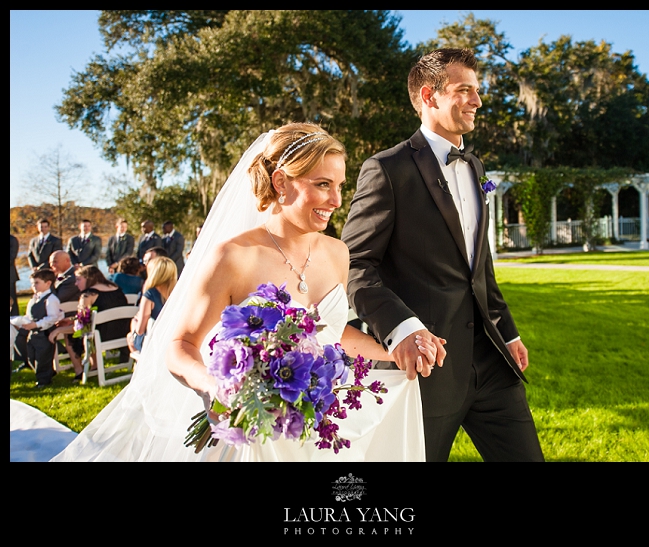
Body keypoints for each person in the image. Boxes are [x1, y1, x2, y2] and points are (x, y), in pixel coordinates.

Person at [52, 123, 434, 462]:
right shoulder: (233, 256)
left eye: (339, 186)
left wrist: (392, 352)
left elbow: (330, 333)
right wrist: (214, 388)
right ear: (281, 182)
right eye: (322, 184)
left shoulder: (337, 252)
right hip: (254, 429)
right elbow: (180, 343)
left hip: (317, 422)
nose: (336, 201)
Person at [341, 48, 544, 462]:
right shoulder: (387, 169)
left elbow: (478, 266)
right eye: (465, 90)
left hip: (491, 361)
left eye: (477, 90)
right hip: (426, 368)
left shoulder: (476, 166)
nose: (478, 101)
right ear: (430, 95)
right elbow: (356, 266)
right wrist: (402, 330)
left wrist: (508, 331)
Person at [49, 265, 130, 381]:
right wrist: (72, 319)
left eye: (78, 279)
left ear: (89, 278)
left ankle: (79, 371)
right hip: (123, 331)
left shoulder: (87, 295)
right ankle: (94, 366)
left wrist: (58, 330)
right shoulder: (115, 287)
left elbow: (81, 326)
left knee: (71, 334)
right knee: (86, 328)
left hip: (101, 336)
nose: (76, 284)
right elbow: (96, 314)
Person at [10, 269, 63, 388]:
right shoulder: (34, 298)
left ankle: (43, 380)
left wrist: (36, 325)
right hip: (32, 333)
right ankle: (48, 372)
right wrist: (22, 322)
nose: (33, 286)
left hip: (44, 333)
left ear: (48, 283)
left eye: (36, 283)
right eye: (32, 283)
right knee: (31, 356)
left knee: (43, 356)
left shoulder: (51, 299)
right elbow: (30, 315)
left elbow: (52, 318)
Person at [127, 256, 177, 354]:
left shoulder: (150, 294)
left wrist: (134, 324)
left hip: (155, 343)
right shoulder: (177, 293)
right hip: (172, 339)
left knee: (131, 335)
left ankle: (140, 365)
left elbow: (140, 330)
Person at [10, 233, 20, 316]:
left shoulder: (12, 240)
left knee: (12, 301)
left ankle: (15, 322)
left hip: (10, 276)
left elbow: (11, 257)